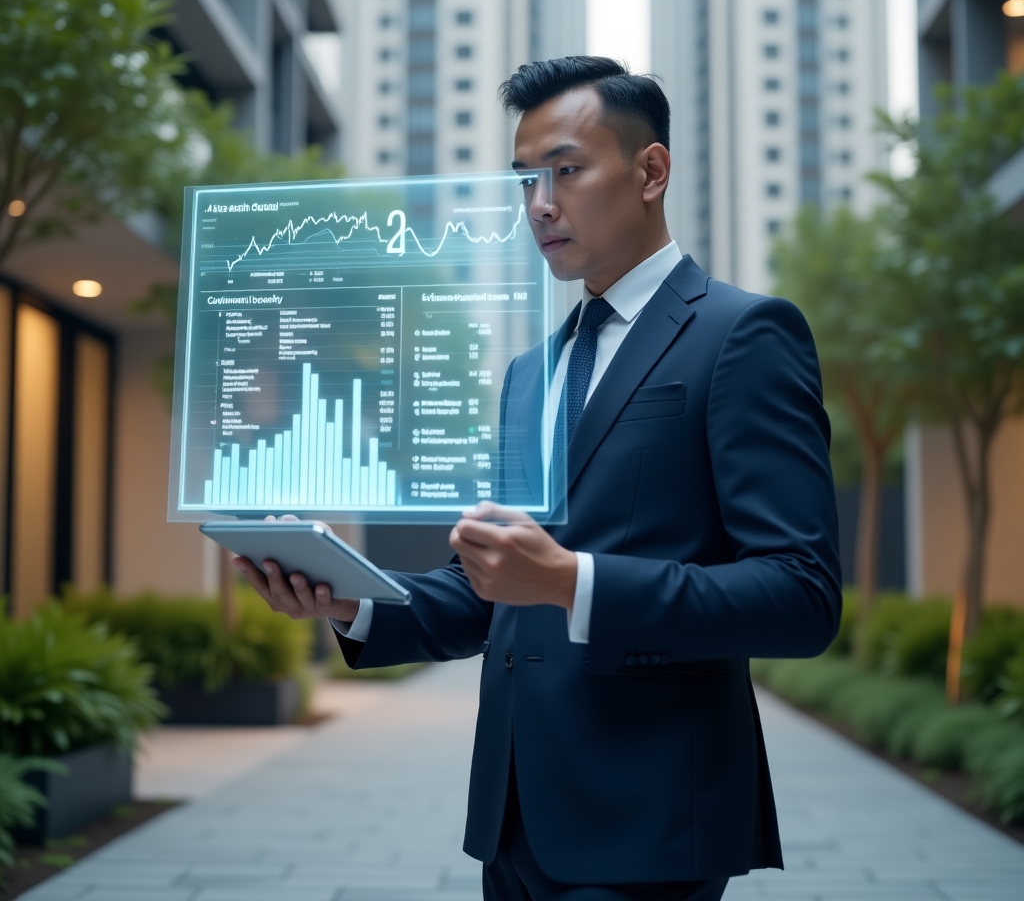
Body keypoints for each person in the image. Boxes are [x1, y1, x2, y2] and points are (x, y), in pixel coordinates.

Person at [234, 56, 842, 901]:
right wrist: (350, 599)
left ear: (650, 172)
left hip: (647, 819)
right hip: (513, 822)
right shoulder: (534, 370)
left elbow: (800, 594)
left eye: (566, 170)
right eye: (526, 180)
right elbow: (491, 593)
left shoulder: (744, 335)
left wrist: (574, 582)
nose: (539, 205)